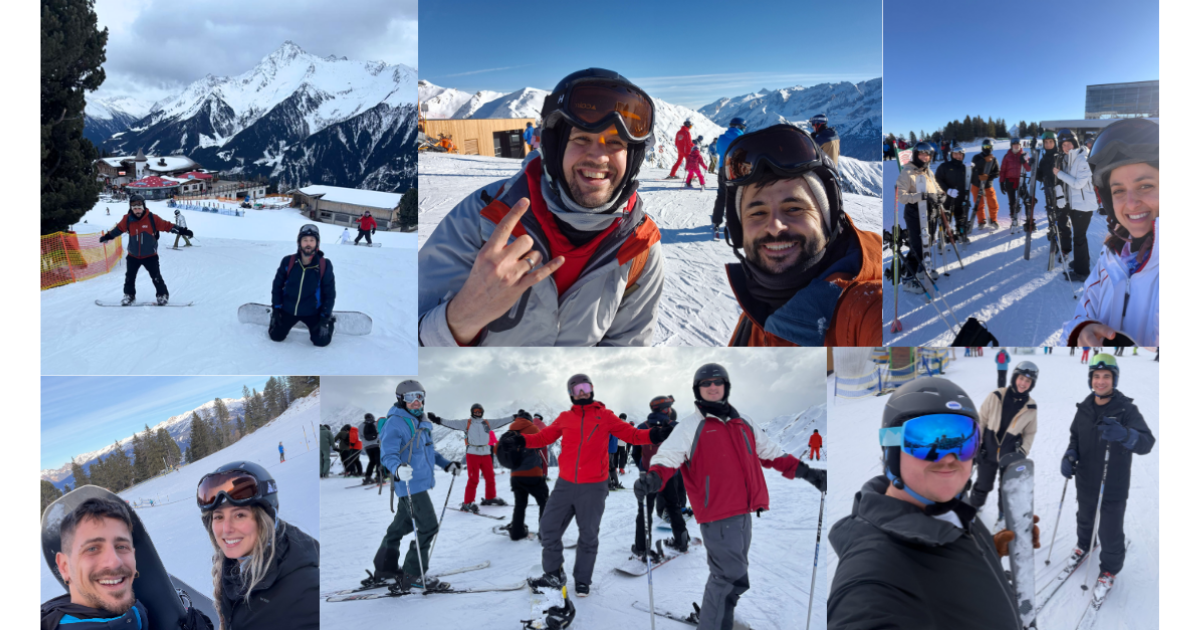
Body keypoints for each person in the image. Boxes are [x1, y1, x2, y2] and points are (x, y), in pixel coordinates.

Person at [417, 68, 664, 347]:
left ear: (632, 158)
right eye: (582, 138)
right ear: (555, 147)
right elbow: (404, 344)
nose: (598, 157)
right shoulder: (482, 218)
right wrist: (460, 318)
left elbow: (625, 357)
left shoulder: (639, 248)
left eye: (616, 142)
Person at [828, 377, 1028, 630]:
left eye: (964, 442)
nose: (949, 458)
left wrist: (985, 551)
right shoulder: (875, 571)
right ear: (891, 447)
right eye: (926, 441)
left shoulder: (955, 509)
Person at [640, 364, 826, 630]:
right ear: (697, 390)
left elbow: (771, 453)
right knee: (729, 576)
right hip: (717, 513)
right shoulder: (691, 427)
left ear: (726, 386)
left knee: (735, 577)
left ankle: (719, 614)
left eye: (718, 382)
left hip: (743, 512)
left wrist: (809, 473)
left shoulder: (744, 422)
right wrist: (654, 477)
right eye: (706, 383)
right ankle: (713, 622)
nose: (712, 387)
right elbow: (668, 456)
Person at [498, 373, 667, 597]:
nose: (581, 393)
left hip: (594, 486)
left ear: (592, 388)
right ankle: (553, 574)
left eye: (585, 387)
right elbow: (543, 438)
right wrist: (521, 439)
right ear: (571, 394)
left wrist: (655, 434)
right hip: (565, 485)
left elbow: (633, 435)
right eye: (576, 389)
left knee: (588, 534)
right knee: (548, 528)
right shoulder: (565, 417)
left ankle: (582, 580)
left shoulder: (605, 416)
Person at [721, 124, 882, 346]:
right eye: (757, 213)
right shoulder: (755, 309)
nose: (774, 227)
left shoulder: (863, 308)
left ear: (828, 219)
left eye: (794, 208)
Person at [1060, 354, 1155, 594]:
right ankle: (1085, 544)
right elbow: (1075, 436)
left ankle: (1109, 570)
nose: (1100, 381)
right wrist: (1070, 454)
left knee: (1110, 530)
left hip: (1112, 482)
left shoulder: (1126, 409)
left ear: (1114, 379)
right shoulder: (1084, 407)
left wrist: (1126, 435)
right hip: (1085, 478)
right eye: (1096, 376)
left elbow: (1147, 442)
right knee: (1085, 517)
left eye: (1106, 376)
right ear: (1090, 378)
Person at [1061, 119, 1159, 346]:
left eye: (1145, 186)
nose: (1131, 203)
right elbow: (1084, 310)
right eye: (1118, 191)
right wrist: (1079, 333)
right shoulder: (1112, 255)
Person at [196, 461, 319, 629]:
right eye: (218, 517)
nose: (226, 529)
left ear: (264, 519)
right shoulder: (233, 571)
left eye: (239, 515)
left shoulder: (304, 593)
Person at [368, 380, 462, 591]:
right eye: (410, 397)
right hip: (410, 485)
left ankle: (385, 569)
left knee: (399, 527)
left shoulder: (421, 421)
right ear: (401, 399)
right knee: (429, 526)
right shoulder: (396, 423)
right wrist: (397, 469)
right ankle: (413, 574)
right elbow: (388, 454)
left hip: (418, 483)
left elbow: (429, 451)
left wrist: (447, 465)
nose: (416, 401)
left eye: (419, 396)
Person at [42, 498, 151, 629]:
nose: (115, 562)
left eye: (121, 546)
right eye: (92, 549)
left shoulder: (138, 611)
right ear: (64, 567)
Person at [969, 361, 1039, 518]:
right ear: (1014, 378)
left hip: (1010, 455)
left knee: (1007, 489)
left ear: (1032, 384)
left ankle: (1003, 517)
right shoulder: (996, 396)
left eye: (1028, 381)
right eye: (1021, 378)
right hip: (987, 451)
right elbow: (981, 421)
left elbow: (1030, 432)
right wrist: (976, 445)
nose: (1023, 383)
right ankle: (974, 510)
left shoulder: (1031, 407)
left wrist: (1022, 451)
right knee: (982, 484)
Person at [98, 193, 194, 305]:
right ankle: (129, 296)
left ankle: (162, 295)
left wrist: (182, 231)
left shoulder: (152, 218)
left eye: (139, 208)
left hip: (150, 256)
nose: (137, 211)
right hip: (133, 256)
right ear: (131, 208)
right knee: (129, 278)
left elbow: (167, 226)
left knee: (156, 277)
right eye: (134, 208)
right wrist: (107, 237)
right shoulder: (127, 219)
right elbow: (118, 229)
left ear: (143, 207)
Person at [627, 395, 685, 559]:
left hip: (648, 475)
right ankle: (681, 541)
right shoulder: (675, 426)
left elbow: (636, 452)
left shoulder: (642, 427)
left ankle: (641, 548)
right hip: (670, 473)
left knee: (644, 511)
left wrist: (643, 468)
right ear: (667, 410)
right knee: (673, 506)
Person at [428, 403, 515, 511]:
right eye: (475, 411)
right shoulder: (467, 423)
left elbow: (501, 421)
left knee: (490, 477)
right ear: (472, 412)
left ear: (482, 412)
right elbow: (452, 423)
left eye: (479, 411)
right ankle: (468, 502)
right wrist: (438, 420)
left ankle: (490, 497)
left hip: (486, 454)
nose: (477, 413)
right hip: (473, 454)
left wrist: (513, 417)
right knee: (474, 479)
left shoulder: (487, 423)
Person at [269, 224, 336, 346]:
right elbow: (277, 286)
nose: (308, 244)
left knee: (321, 341)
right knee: (276, 336)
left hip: (312, 312)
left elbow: (329, 293)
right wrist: (276, 308)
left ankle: (330, 322)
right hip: (288, 309)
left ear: (317, 243)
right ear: (299, 242)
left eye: (312, 240)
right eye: (305, 240)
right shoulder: (288, 261)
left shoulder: (324, 265)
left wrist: (325, 317)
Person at [897, 140, 943, 292]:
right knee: (917, 247)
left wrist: (941, 195)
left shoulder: (928, 171)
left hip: (931, 213)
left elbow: (936, 187)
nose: (925, 157)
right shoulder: (907, 172)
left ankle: (921, 270)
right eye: (921, 154)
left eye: (927, 155)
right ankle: (908, 280)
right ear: (916, 155)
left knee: (928, 243)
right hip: (915, 214)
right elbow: (902, 197)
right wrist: (922, 196)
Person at [1052, 129, 1098, 281]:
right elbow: (1067, 184)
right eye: (1063, 145)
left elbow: (1078, 184)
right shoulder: (1069, 159)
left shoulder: (1082, 158)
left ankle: (1082, 272)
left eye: (1069, 143)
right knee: (1079, 237)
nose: (1066, 147)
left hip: (1084, 206)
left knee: (1079, 238)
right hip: (1075, 205)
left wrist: (1059, 174)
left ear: (1075, 143)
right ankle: (1081, 262)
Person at [500, 410, 549, 541]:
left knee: (520, 504)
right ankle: (545, 533)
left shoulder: (510, 431)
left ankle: (517, 533)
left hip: (516, 475)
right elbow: (542, 443)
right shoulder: (533, 429)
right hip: (533, 473)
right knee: (544, 501)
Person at [711, 117, 747, 238]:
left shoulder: (721, 137)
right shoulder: (743, 139)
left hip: (723, 168)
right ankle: (734, 223)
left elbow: (718, 151)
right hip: (736, 170)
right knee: (736, 196)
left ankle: (716, 221)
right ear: (740, 127)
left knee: (721, 195)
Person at [935, 144, 972, 244]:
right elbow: (937, 180)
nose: (958, 156)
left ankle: (961, 233)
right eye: (955, 154)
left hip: (960, 198)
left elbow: (974, 180)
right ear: (951, 155)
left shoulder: (965, 168)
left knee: (961, 218)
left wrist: (973, 170)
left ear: (963, 156)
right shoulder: (944, 166)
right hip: (946, 199)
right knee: (945, 219)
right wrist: (947, 190)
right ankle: (943, 236)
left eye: (960, 154)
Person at [999, 138, 1033, 227]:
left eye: (1018, 145)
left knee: (1027, 200)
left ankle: (1028, 220)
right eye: (1014, 145)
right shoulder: (1007, 156)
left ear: (1020, 145)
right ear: (1011, 146)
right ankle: (1014, 220)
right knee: (1012, 202)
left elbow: (1029, 168)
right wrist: (1001, 182)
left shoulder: (1024, 155)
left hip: (1021, 181)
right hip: (1009, 181)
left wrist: (1024, 161)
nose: (1016, 146)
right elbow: (1002, 170)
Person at [971, 139, 1001, 231]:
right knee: (979, 204)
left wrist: (988, 177)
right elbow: (973, 167)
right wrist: (984, 160)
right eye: (985, 147)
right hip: (977, 184)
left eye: (989, 147)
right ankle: (981, 221)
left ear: (991, 148)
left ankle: (993, 220)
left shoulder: (994, 159)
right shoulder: (977, 157)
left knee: (993, 203)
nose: (987, 148)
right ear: (982, 147)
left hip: (988, 185)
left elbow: (997, 172)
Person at [360, 413, 383, 484]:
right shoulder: (376, 423)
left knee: (372, 461)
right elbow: (380, 433)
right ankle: (379, 477)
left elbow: (361, 437)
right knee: (379, 461)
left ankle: (368, 477)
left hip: (367, 447)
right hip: (376, 445)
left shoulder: (361, 425)